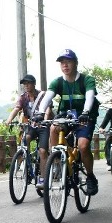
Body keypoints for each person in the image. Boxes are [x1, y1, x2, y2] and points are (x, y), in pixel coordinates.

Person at [34, 49, 100, 195]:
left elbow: (90, 97)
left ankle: (90, 176)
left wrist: (86, 112)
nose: (65, 65)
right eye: (62, 63)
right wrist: (40, 112)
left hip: (85, 116)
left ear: (75, 63)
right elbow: (48, 97)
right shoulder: (58, 82)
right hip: (66, 115)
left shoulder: (86, 80)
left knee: (83, 146)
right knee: (53, 128)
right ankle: (56, 161)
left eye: (68, 62)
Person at [5, 74, 52, 189]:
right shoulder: (23, 97)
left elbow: (48, 109)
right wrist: (9, 119)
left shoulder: (42, 95)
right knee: (25, 139)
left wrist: (45, 120)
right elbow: (17, 108)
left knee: (42, 151)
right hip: (31, 126)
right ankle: (26, 161)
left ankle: (43, 177)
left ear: (34, 84)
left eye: (28, 83)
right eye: (24, 84)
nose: (26, 86)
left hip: (43, 126)